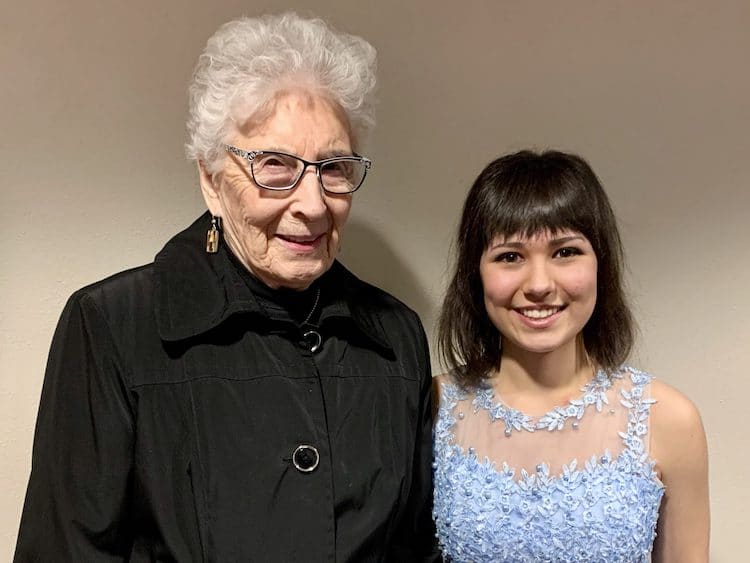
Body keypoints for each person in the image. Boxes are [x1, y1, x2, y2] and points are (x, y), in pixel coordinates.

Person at [15, 13, 439, 562]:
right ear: (212, 180)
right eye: (275, 165)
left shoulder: (395, 336)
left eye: (332, 168)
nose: (312, 205)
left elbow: (414, 550)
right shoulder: (112, 328)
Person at [432, 150, 709, 562]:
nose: (540, 284)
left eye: (565, 252)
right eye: (510, 256)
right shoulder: (432, 407)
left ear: (601, 264)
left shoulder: (667, 420)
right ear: (476, 274)